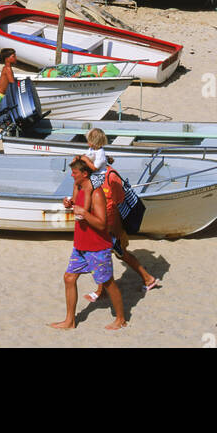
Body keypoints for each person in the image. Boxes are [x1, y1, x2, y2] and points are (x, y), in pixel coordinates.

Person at [49, 157, 126, 331]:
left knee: (108, 283)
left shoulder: (97, 193)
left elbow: (101, 224)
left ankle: (121, 319)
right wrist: (69, 203)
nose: (71, 175)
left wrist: (84, 212)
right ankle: (70, 321)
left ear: (84, 174)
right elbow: (77, 205)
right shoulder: (78, 186)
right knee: (69, 278)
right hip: (81, 245)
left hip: (97, 247)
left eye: (74, 172)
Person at [81, 130, 159, 296]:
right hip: (102, 224)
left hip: (111, 226)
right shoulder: (95, 175)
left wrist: (116, 231)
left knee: (118, 254)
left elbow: (116, 206)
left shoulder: (111, 177)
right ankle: (104, 289)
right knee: (106, 256)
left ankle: (147, 279)